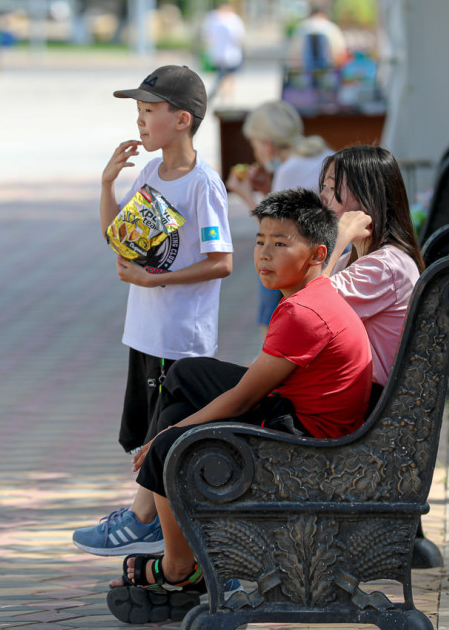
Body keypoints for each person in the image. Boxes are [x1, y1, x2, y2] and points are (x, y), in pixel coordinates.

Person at [105, 188, 373, 624]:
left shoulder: (302, 312)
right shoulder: (313, 296)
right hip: (305, 416)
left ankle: (178, 566)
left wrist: (165, 437)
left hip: (306, 441)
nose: (264, 254)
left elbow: (245, 396)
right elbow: (257, 380)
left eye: (280, 244)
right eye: (261, 241)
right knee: (186, 376)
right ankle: (182, 551)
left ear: (316, 254)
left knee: (172, 441)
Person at [75, 65, 234, 557]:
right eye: (138, 112)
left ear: (182, 119)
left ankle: (143, 522)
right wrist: (106, 185)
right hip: (144, 330)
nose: (140, 121)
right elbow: (118, 240)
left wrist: (155, 279)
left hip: (179, 337)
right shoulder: (149, 172)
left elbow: (222, 261)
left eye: (149, 111)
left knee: (165, 435)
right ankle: (145, 522)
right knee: (145, 435)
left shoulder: (203, 185)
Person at [319, 145, 424, 405]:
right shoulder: (356, 261)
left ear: (368, 197)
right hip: (351, 396)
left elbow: (305, 310)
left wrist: (340, 237)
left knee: (203, 377)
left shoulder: (384, 268)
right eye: (324, 186)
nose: (322, 196)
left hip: (365, 405)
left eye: (333, 188)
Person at [225, 101, 333, 330]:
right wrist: (267, 192)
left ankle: (270, 339)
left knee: (267, 257)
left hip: (323, 256)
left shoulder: (290, 168)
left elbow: (274, 231)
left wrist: (246, 195)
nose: (255, 153)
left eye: (254, 145)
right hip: (334, 247)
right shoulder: (321, 153)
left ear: (266, 144)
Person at [201, 3, 245, 104]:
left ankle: (224, 97)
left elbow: (206, 35)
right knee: (227, 77)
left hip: (222, 54)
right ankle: (226, 97)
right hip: (228, 55)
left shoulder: (214, 18)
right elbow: (239, 37)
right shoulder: (233, 20)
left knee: (225, 76)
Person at [287, 7, 348, 77]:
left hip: (304, 71)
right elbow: (341, 51)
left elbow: (293, 52)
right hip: (328, 70)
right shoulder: (331, 27)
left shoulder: (301, 27)